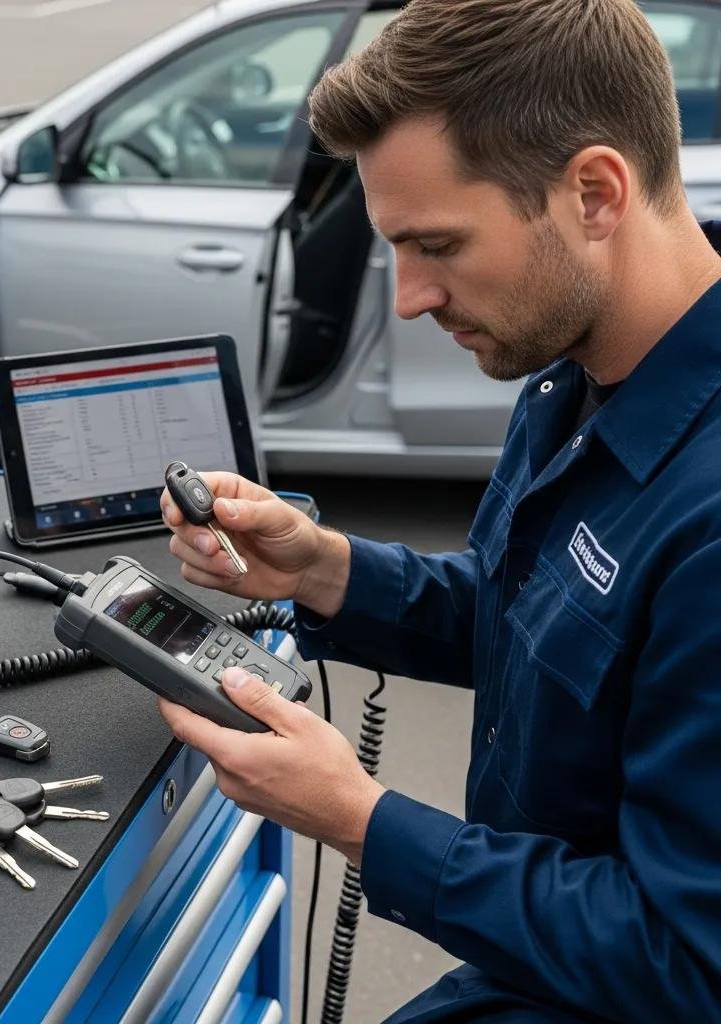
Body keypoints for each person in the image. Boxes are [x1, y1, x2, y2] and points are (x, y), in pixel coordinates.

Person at [156, 0, 721, 1020]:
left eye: (438, 245)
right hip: (529, 958)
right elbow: (534, 616)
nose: (410, 296)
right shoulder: (576, 372)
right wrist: (325, 569)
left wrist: (362, 820)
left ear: (594, 192)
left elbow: (685, 957)